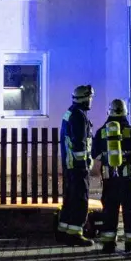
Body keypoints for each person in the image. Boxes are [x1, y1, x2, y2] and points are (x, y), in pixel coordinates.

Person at [92, 99, 131, 253]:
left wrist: (107, 159)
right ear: (125, 112)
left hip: (109, 179)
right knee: (130, 209)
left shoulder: (102, 131)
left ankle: (108, 244)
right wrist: (128, 158)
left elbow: (94, 154)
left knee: (110, 210)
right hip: (127, 179)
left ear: (109, 112)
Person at [58, 84, 95, 245]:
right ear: (84, 99)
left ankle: (63, 231)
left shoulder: (70, 112)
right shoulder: (79, 116)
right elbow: (79, 143)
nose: (91, 101)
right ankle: (75, 233)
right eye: (90, 98)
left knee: (70, 199)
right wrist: (84, 163)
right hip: (78, 167)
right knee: (80, 199)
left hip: (70, 165)